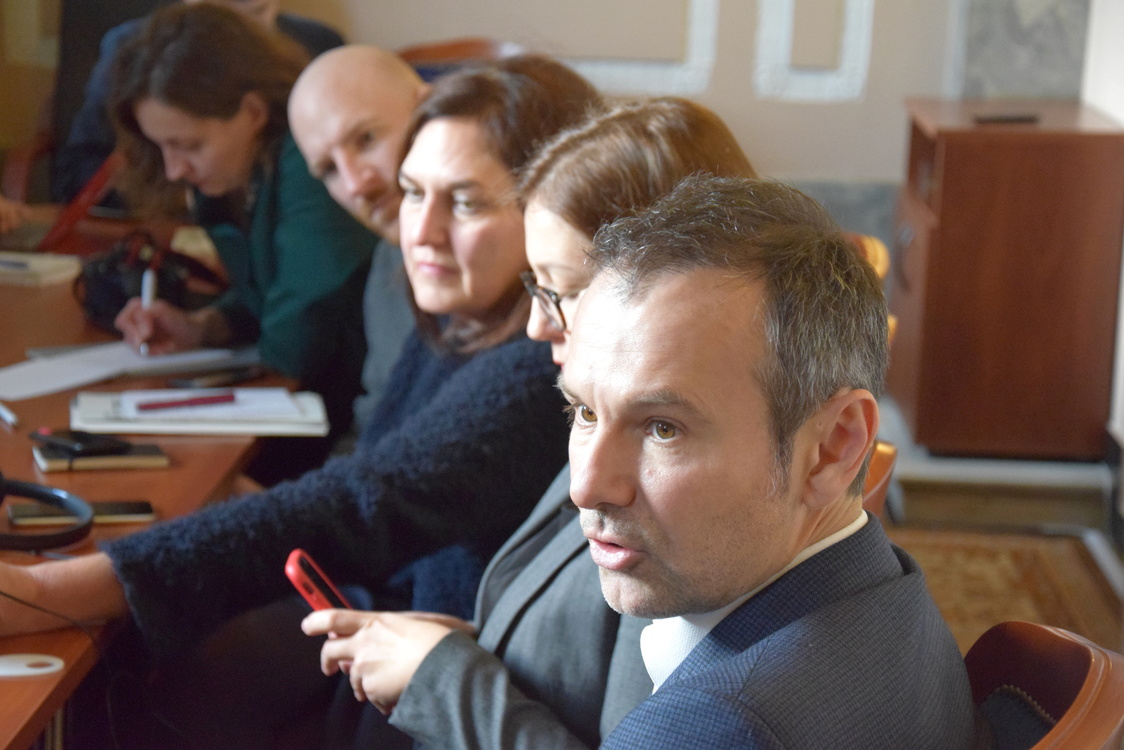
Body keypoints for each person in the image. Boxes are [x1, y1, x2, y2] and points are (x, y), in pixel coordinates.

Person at [0, 53, 600, 749]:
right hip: (398, 633)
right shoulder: (462, 311)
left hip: (440, 689)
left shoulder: (539, 365)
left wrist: (50, 593)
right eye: (413, 192)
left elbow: (368, 500)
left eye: (464, 202)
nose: (421, 231)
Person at [297, 99, 762, 748]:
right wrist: (472, 646)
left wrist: (443, 678)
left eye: (560, 291)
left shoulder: (678, 504)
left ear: (663, 289)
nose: (538, 325)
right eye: (533, 286)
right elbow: (577, 656)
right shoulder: (597, 422)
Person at [568, 175, 979, 747]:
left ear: (833, 448)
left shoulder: (715, 730)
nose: (587, 487)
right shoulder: (890, 592)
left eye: (664, 428)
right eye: (585, 412)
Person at [107, 5, 377, 476]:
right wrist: (205, 326)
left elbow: (302, 322)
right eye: (162, 146)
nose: (173, 170)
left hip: (354, 419)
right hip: (314, 402)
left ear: (253, 112)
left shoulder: (311, 156)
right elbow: (271, 290)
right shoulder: (233, 175)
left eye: (189, 146)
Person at [51, 0, 345, 205]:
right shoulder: (134, 50)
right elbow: (77, 172)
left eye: (258, 14)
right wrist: (181, 192)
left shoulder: (321, 44)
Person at [287, 45, 429, 429]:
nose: (355, 186)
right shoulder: (387, 264)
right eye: (329, 170)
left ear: (430, 110)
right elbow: (375, 417)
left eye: (366, 139)